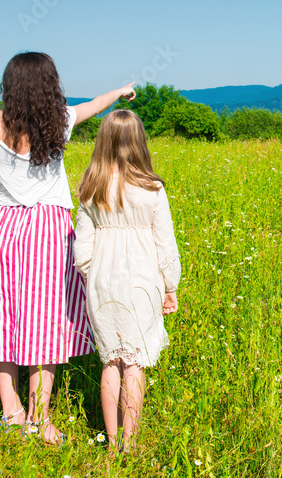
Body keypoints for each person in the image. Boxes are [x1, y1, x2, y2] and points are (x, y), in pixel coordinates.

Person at [0, 51, 136, 444]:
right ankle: (39, 419)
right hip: (50, 229)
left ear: (9, 84)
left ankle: (11, 412)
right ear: (49, 85)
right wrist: (121, 90)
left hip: (5, 227)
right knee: (45, 322)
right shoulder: (58, 121)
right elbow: (95, 106)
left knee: (1, 317)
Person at [73, 109, 181, 454]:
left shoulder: (91, 187)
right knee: (134, 361)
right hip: (142, 282)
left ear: (102, 141)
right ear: (139, 142)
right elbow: (166, 244)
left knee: (110, 361)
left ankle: (112, 440)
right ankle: (130, 444)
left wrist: (98, 276)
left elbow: (81, 253)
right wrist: (170, 286)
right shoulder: (152, 188)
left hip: (102, 282)